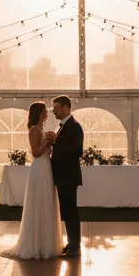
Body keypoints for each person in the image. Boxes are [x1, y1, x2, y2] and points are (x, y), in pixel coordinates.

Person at [1, 101, 62, 259]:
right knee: (39, 202)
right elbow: (35, 153)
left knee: (46, 202)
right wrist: (47, 143)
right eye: (43, 112)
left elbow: (45, 152)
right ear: (37, 114)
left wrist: (52, 143)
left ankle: (45, 243)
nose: (46, 115)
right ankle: (35, 244)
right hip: (39, 169)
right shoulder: (34, 130)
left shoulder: (41, 129)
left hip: (46, 168)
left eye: (46, 113)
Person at [49, 94, 84, 257]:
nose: (53, 111)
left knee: (70, 211)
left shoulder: (74, 126)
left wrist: (56, 148)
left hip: (68, 176)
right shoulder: (63, 126)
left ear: (66, 108)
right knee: (67, 210)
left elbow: (77, 151)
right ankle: (71, 244)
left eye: (56, 108)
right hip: (63, 176)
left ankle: (75, 248)